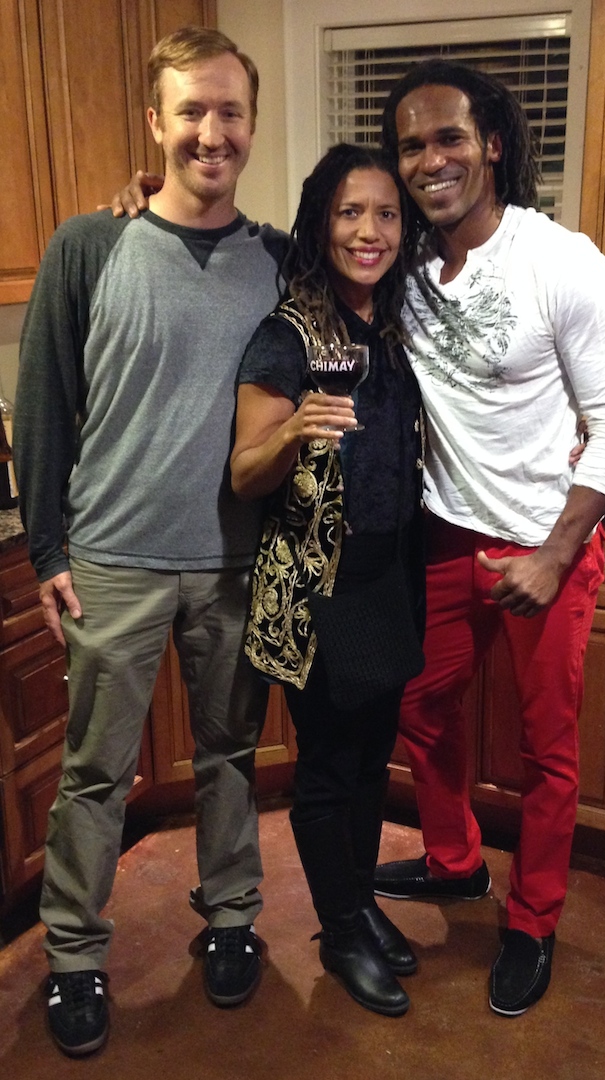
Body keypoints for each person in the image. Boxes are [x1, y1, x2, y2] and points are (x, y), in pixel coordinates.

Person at [12, 26, 287, 1058]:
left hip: (234, 561)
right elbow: (44, 403)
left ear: (252, 123)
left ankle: (231, 920)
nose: (211, 133)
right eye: (191, 111)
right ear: (154, 122)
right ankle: (74, 957)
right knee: (95, 773)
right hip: (114, 562)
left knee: (228, 758)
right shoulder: (89, 246)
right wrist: (49, 552)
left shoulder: (282, 260)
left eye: (229, 112)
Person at [371, 59, 605, 1017]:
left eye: (448, 137)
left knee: (547, 749)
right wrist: (158, 192)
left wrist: (555, 554)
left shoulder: (558, 260)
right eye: (411, 145)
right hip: (445, 535)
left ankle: (532, 918)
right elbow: (314, 237)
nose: (430, 160)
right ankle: (454, 861)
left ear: (490, 144)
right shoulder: (402, 262)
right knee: (418, 704)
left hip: (544, 546)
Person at [230, 143, 425, 1017]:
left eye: (385, 213)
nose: (368, 231)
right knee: (325, 772)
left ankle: (361, 903)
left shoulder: (395, 325)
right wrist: (290, 432)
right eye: (350, 212)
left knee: (371, 761)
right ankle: (341, 932)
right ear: (320, 223)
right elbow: (244, 474)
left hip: (388, 575)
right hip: (319, 588)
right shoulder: (286, 335)